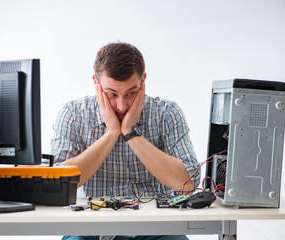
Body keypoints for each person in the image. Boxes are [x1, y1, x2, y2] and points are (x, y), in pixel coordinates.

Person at [51, 42, 201, 240]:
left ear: (143, 81)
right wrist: (111, 133)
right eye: (111, 94)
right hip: (91, 232)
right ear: (96, 84)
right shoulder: (72, 114)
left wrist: (130, 133)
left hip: (156, 231)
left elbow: (188, 183)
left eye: (131, 93)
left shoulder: (167, 113)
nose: (121, 106)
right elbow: (57, 184)